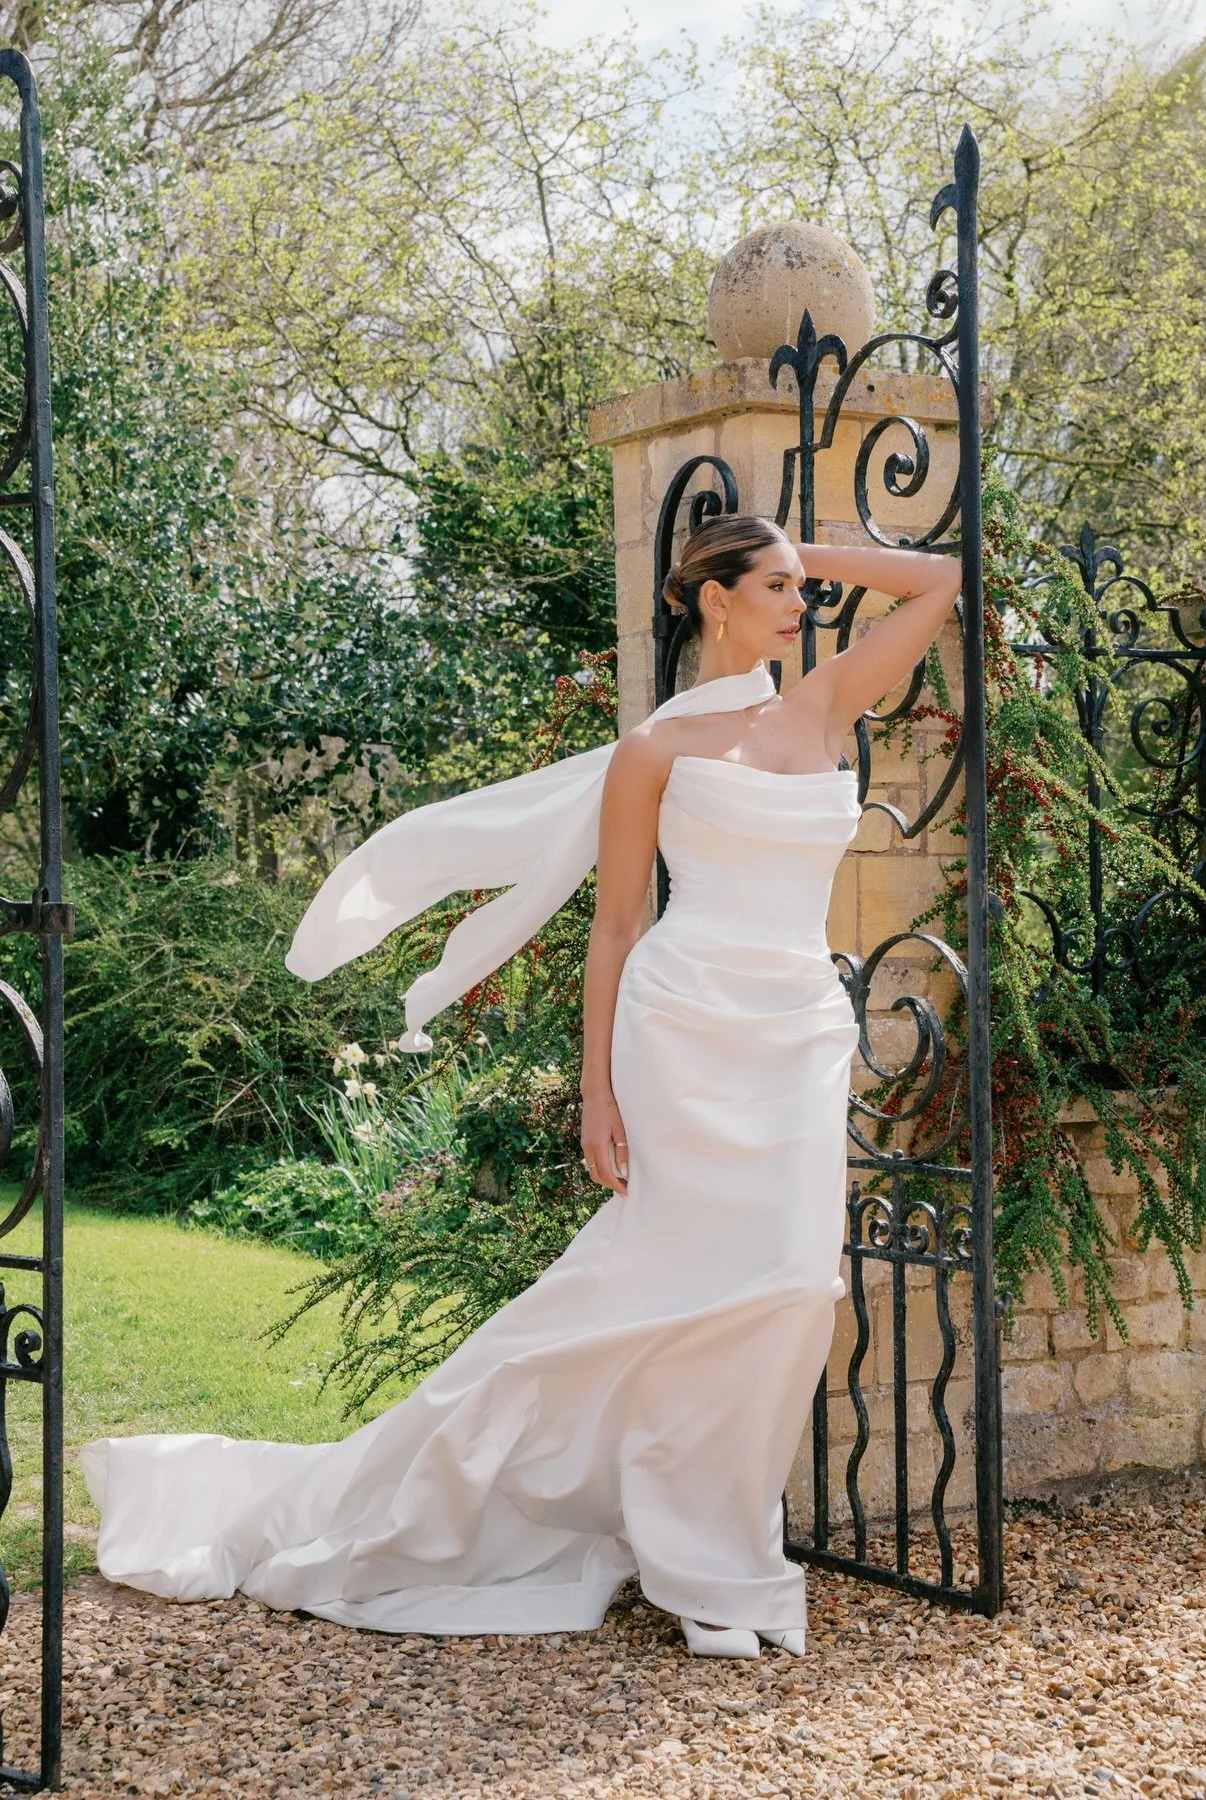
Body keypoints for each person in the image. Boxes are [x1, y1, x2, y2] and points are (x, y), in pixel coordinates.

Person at [78, 516, 962, 1660]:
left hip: (795, 1029)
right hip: (684, 1024)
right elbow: (614, 925)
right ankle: (713, 1569)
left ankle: (703, 1535)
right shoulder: (655, 748)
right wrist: (598, 1091)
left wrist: (819, 549)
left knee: (792, 1290)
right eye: (778, 587)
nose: (802, 605)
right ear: (715, 601)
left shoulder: (824, 701)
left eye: (803, 587)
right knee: (666, 1280)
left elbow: (939, 578)